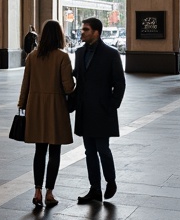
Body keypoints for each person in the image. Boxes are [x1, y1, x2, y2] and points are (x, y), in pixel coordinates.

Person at [18, 19, 75, 209]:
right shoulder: (62, 57)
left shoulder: (32, 57)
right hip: (56, 108)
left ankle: (37, 191)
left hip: (35, 107)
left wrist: (22, 104)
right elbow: (68, 87)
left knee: (39, 151)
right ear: (59, 35)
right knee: (55, 151)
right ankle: (50, 192)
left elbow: (25, 83)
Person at [73, 16, 126, 203]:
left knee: (103, 149)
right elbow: (76, 80)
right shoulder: (79, 53)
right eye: (82, 29)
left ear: (96, 32)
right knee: (89, 151)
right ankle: (94, 188)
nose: (82, 32)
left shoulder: (111, 54)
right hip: (85, 111)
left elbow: (120, 83)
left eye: (86, 29)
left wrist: (112, 106)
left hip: (103, 111)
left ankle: (110, 182)